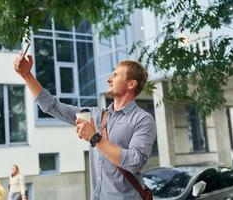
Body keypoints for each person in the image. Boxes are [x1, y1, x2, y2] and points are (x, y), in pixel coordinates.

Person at [13, 54, 156, 200]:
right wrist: (27, 75)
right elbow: (52, 106)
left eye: (116, 75)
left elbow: (135, 161)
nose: (109, 79)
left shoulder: (143, 119)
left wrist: (95, 138)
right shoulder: (94, 115)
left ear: (131, 84)